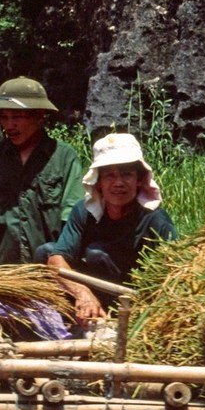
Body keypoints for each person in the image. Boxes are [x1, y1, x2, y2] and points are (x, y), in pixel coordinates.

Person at [39, 132, 178, 321]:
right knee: (45, 252)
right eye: (110, 176)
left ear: (139, 179)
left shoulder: (155, 219)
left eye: (127, 174)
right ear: (98, 182)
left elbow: (174, 272)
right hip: (90, 292)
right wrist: (82, 293)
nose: (118, 183)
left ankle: (108, 317)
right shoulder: (84, 211)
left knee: (97, 254)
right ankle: (66, 316)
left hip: (130, 297)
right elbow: (57, 259)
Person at [0, 77, 84, 268]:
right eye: (3, 117)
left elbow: (73, 217)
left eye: (17, 117)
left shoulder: (63, 157)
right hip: (1, 273)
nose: (9, 125)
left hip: (49, 272)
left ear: (40, 116)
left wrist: (61, 259)